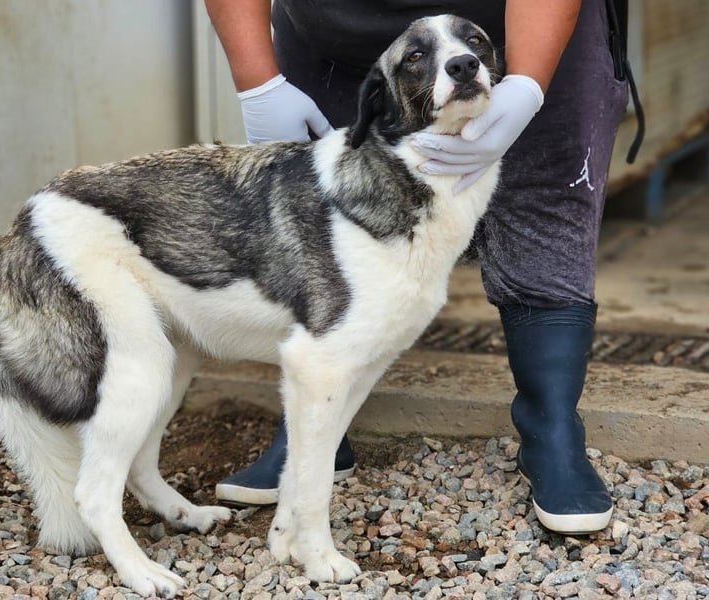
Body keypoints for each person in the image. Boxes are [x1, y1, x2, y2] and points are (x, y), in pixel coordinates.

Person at [205, 0, 638, 535]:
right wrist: (258, 82)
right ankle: (314, 435)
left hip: (526, 26)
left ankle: (552, 432)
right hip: (331, 43)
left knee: (543, 211)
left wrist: (525, 84)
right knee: (321, 227)